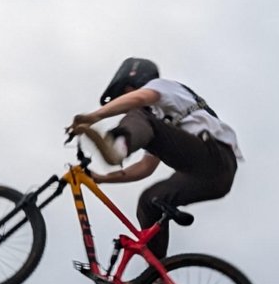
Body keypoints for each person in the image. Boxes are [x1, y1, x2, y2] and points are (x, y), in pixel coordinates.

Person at [64, 57, 242, 264]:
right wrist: (102, 178)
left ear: (133, 84)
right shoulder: (158, 125)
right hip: (212, 178)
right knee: (149, 201)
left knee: (140, 113)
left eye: (124, 94)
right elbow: (145, 167)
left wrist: (93, 117)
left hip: (215, 156)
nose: (123, 103)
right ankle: (155, 278)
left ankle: (118, 147)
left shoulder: (160, 88)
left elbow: (139, 99)